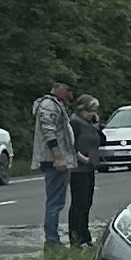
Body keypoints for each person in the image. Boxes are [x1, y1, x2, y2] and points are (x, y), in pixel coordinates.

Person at [32, 75, 76, 245]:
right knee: (55, 202)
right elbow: (48, 131)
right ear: (58, 87)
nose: (69, 94)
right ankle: (51, 239)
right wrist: (58, 157)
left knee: (57, 201)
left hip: (58, 159)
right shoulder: (49, 106)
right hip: (53, 160)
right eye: (68, 90)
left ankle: (52, 237)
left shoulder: (57, 105)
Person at [67, 95, 106, 246]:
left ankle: (85, 236)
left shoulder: (90, 124)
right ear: (83, 110)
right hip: (79, 168)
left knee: (87, 202)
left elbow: (102, 140)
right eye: (91, 111)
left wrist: (97, 125)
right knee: (79, 203)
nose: (94, 114)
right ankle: (76, 237)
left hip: (90, 168)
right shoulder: (75, 123)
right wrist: (83, 159)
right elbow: (70, 145)